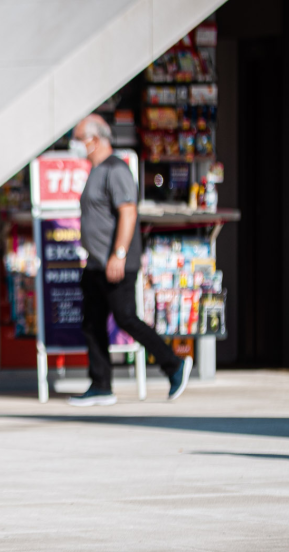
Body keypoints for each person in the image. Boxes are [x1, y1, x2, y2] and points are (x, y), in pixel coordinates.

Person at [67, 114, 190, 407]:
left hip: (116, 261)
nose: (74, 145)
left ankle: (173, 364)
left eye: (78, 138)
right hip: (96, 262)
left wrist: (118, 254)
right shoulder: (96, 170)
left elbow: (129, 213)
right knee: (92, 323)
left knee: (126, 317)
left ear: (95, 140)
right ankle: (100, 385)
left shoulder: (115, 169)